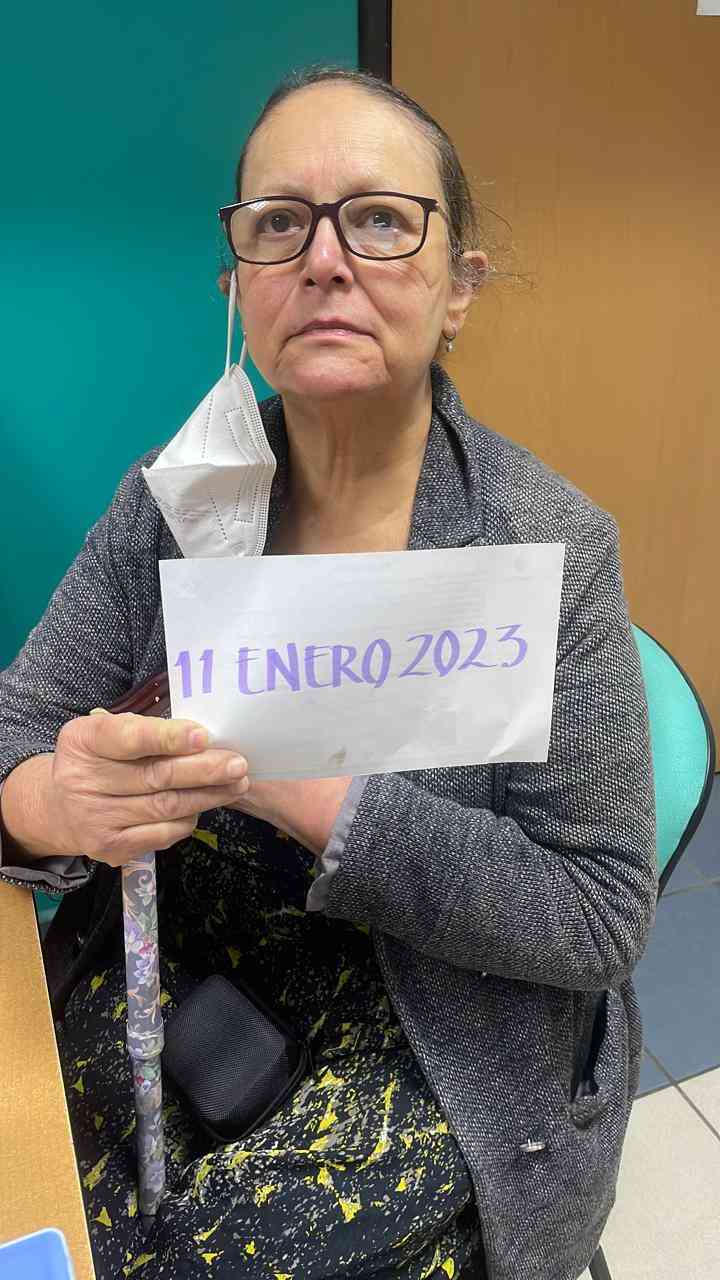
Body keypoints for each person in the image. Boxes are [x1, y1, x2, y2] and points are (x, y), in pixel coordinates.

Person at [0, 66, 657, 1280]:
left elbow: (596, 912)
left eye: (381, 219)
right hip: (172, 964)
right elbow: (16, 729)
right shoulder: (173, 503)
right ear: (236, 285)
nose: (323, 261)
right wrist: (55, 800)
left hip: (437, 1024)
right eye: (278, 224)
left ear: (459, 287)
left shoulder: (547, 548)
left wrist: (310, 792)